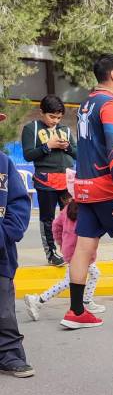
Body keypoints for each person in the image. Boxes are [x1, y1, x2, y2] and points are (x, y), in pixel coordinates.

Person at [61, 54, 113, 330]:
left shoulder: (86, 104)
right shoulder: (112, 105)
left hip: (84, 189)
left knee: (84, 247)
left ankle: (76, 311)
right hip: (108, 188)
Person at [24, 198, 103, 321]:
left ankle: (86, 301)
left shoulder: (67, 208)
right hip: (80, 253)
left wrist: (62, 243)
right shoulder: (87, 211)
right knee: (69, 281)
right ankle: (38, 300)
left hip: (71, 251)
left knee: (94, 273)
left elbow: (56, 226)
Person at [20, 95, 76, 267]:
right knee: (47, 219)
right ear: (41, 112)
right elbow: (28, 155)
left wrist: (67, 146)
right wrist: (48, 146)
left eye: (59, 117)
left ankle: (70, 250)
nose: (55, 121)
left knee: (71, 216)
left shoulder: (65, 129)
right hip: (46, 180)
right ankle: (51, 253)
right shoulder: (32, 128)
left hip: (66, 179)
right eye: (51, 116)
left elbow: (77, 154)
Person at [0, 113, 34, 378]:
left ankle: (10, 354)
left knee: (4, 311)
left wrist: (6, 233)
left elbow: (19, 203)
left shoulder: (4, 163)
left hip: (1, 253)